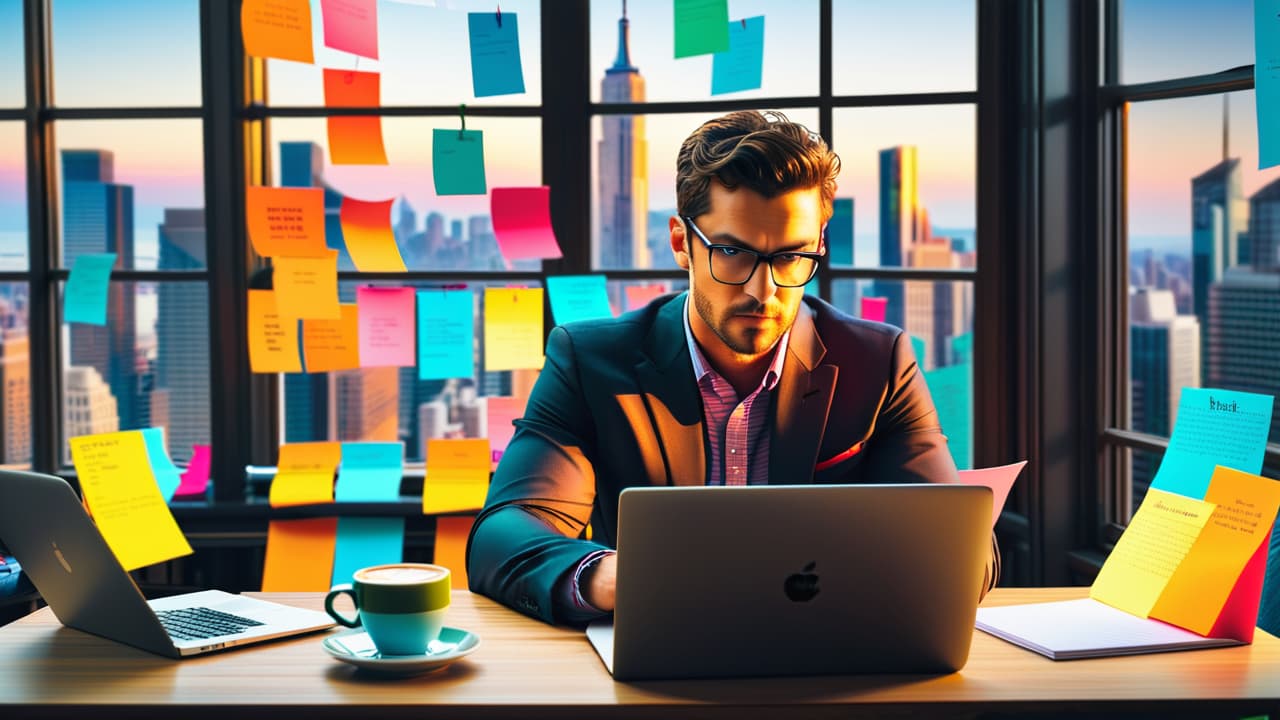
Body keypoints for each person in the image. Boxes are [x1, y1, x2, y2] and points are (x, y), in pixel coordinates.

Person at [466, 110, 997, 624]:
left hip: (831, 662)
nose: (762, 291)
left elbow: (966, 555)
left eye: (791, 257)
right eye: (734, 254)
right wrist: (613, 577)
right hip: (656, 658)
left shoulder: (879, 362)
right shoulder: (592, 362)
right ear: (681, 244)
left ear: (817, 246)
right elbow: (502, 535)